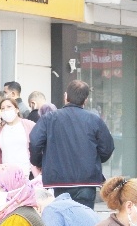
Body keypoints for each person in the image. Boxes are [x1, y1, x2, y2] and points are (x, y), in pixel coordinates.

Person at [29, 80, 114, 209]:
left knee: (62, 219)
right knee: (85, 221)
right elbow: (107, 148)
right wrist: (93, 159)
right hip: (87, 181)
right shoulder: (94, 120)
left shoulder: (49, 118)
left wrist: (39, 162)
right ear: (85, 100)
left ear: (65, 96)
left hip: (59, 181)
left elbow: (35, 141)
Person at [0, 97, 36, 176]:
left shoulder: (29, 125)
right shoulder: (0, 129)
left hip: (27, 173)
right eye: (2, 108)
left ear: (17, 109)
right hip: (6, 175)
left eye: (9, 107)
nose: (6, 110)